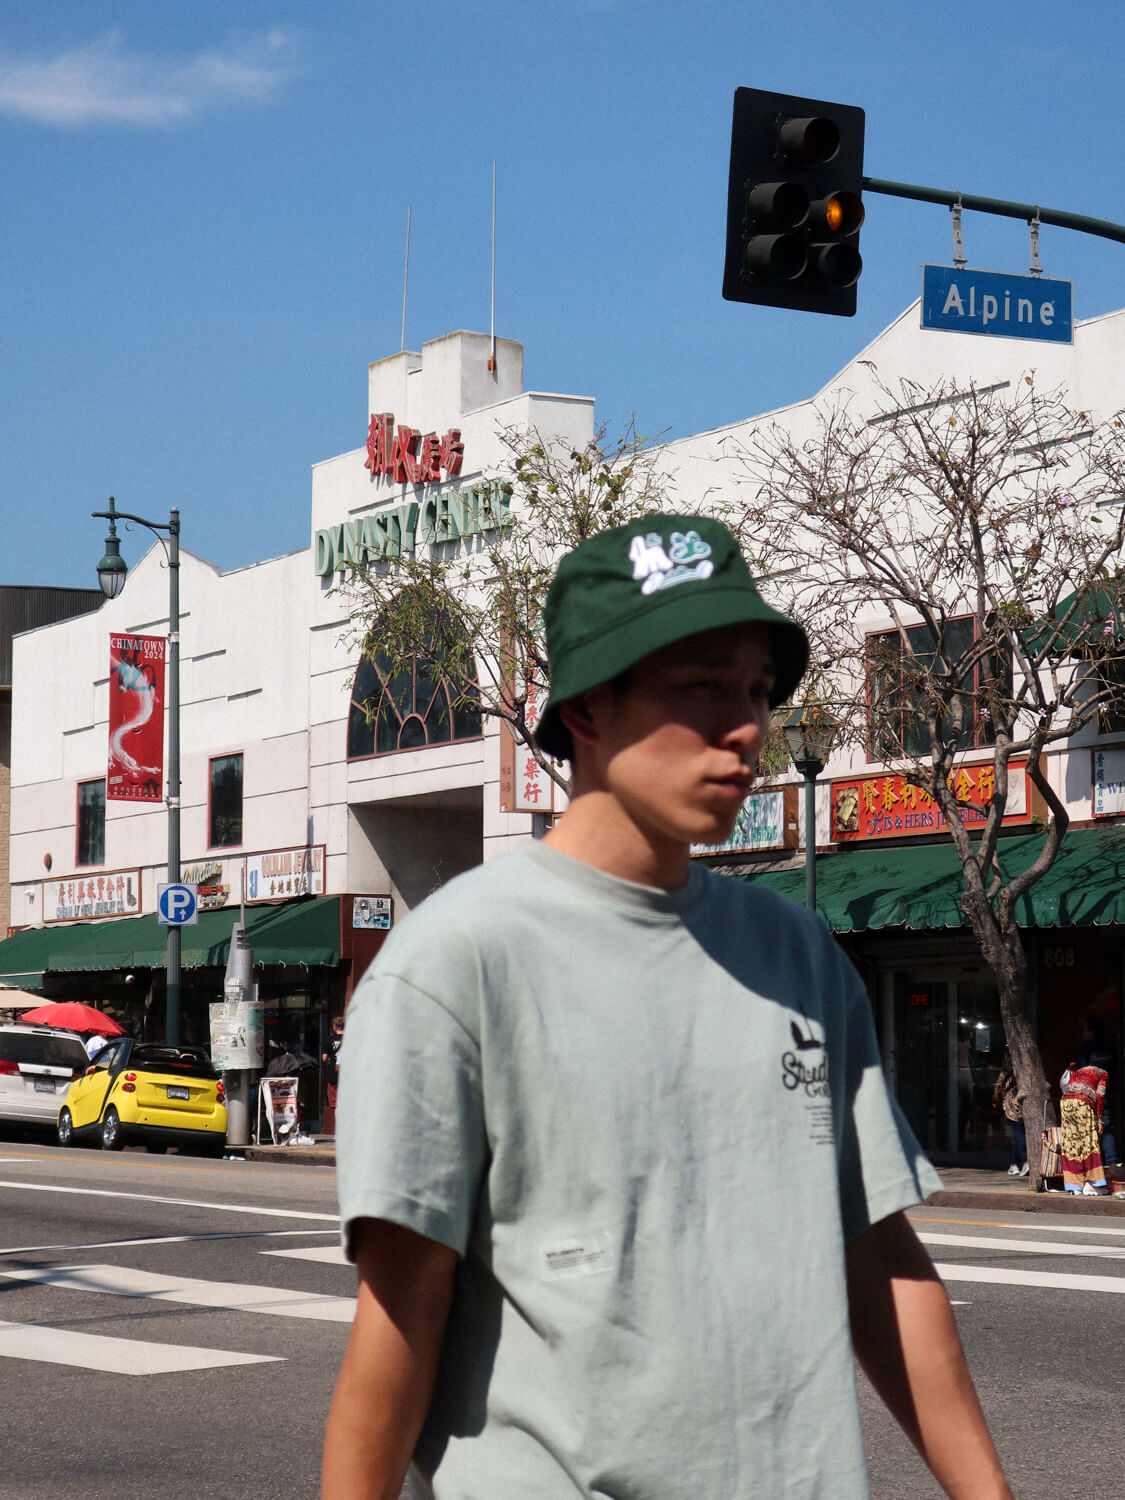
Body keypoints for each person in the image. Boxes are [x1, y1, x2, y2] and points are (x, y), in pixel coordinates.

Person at [323, 513, 1015, 1500]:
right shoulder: (456, 960)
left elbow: (882, 1265)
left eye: (756, 692)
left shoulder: (795, 954)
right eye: (699, 689)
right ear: (588, 709)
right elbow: (398, 1324)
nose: (744, 729)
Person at [1059, 1056, 1109, 1195]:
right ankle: (1091, 1184)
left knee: (1071, 1144)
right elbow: (1100, 1096)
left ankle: (1075, 1186)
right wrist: (1100, 1119)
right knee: (1088, 1143)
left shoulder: (1079, 1071)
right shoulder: (1102, 1073)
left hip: (1066, 1104)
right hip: (1082, 1104)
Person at [992, 1054, 1028, 1176]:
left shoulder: (1012, 1072)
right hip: (1015, 1105)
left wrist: (996, 1101)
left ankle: (1018, 1163)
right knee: (1018, 1133)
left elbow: (998, 1086)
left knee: (1018, 1134)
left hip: (1013, 1105)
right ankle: (1019, 1163)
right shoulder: (1018, 1071)